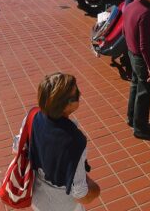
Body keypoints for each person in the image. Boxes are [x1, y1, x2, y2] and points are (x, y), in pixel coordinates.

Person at [27, 73, 101, 211]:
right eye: (76, 94)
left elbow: (16, 149)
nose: (80, 94)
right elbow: (80, 194)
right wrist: (96, 190)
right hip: (62, 205)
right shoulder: (74, 141)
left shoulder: (33, 116)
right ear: (65, 105)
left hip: (37, 198)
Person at [123, 0, 150, 141]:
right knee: (144, 93)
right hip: (142, 57)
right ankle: (140, 128)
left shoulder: (129, 6)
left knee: (135, 85)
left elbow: (125, 31)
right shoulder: (145, 12)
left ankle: (131, 117)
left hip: (132, 54)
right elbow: (144, 45)